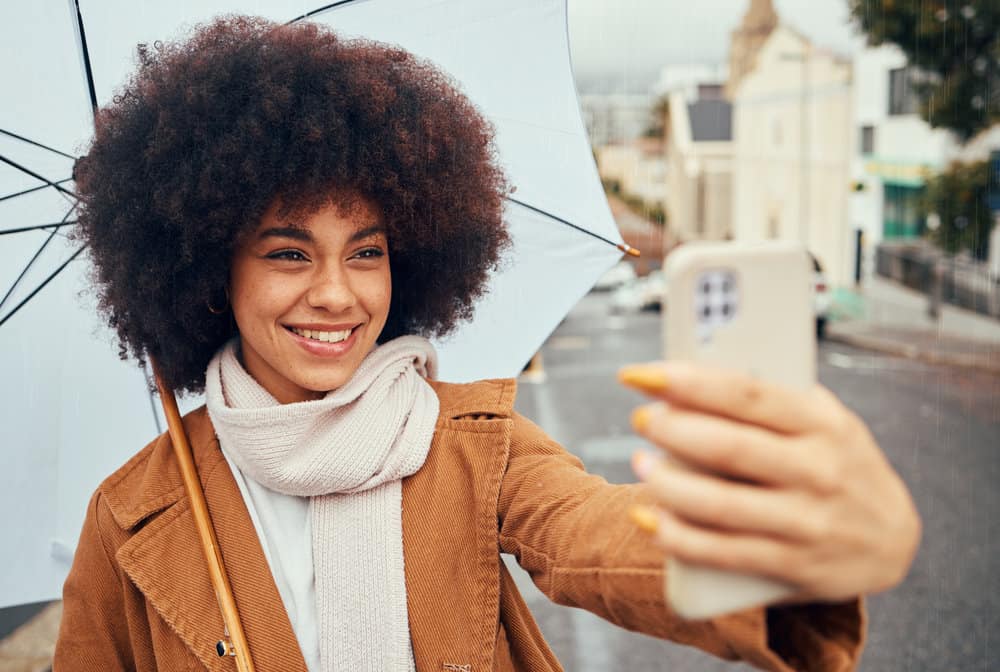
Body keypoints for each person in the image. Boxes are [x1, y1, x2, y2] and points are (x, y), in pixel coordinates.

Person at [54, 16, 920, 672]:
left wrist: (774, 549)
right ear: (209, 268)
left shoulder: (474, 444)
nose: (336, 293)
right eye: (288, 252)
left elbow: (601, 537)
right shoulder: (134, 516)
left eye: (368, 251)